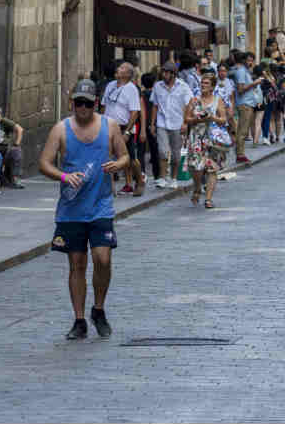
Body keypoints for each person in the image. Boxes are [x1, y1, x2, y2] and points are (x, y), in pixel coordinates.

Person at [39, 79, 127, 339]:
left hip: (101, 206)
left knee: (103, 259)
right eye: (78, 103)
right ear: (72, 103)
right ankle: (79, 321)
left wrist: (117, 164)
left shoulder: (109, 126)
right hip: (71, 209)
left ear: (96, 104)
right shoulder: (60, 130)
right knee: (76, 263)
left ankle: (98, 309)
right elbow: (44, 163)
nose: (83, 108)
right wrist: (63, 177)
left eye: (88, 104)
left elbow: (125, 155)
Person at [183, 73, 230, 209]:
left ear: (212, 86)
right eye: (202, 83)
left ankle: (208, 199)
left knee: (212, 169)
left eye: (206, 83)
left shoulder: (217, 101)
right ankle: (197, 187)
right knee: (196, 168)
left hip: (212, 138)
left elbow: (223, 120)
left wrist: (212, 118)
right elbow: (186, 118)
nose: (203, 85)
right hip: (196, 138)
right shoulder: (194, 100)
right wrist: (197, 120)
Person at [100, 63, 143, 195]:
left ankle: (140, 181)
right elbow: (103, 105)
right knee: (107, 156)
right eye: (118, 67)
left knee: (130, 158)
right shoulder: (110, 85)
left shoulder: (132, 89)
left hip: (123, 127)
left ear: (128, 74)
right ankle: (110, 188)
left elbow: (135, 112)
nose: (118, 69)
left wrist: (128, 131)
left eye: (122, 68)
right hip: (108, 126)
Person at [150, 63, 193, 188]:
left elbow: (189, 105)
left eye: (167, 73)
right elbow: (155, 105)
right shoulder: (158, 86)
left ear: (173, 74)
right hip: (162, 122)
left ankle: (173, 178)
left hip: (177, 123)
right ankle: (163, 178)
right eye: (163, 72)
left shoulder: (183, 87)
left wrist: (185, 122)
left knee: (175, 155)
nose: (164, 75)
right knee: (163, 151)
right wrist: (152, 124)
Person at [230, 52, 260, 164]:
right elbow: (240, 89)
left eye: (252, 60)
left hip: (248, 103)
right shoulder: (241, 72)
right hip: (244, 104)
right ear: (243, 61)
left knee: (244, 130)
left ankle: (241, 153)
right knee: (242, 131)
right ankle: (240, 154)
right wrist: (254, 83)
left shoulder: (245, 72)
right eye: (248, 60)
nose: (250, 62)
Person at [0, 106, 26, 191]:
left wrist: (16, 144)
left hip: (5, 147)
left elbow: (20, 129)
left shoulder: (4, 122)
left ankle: (14, 179)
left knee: (16, 152)